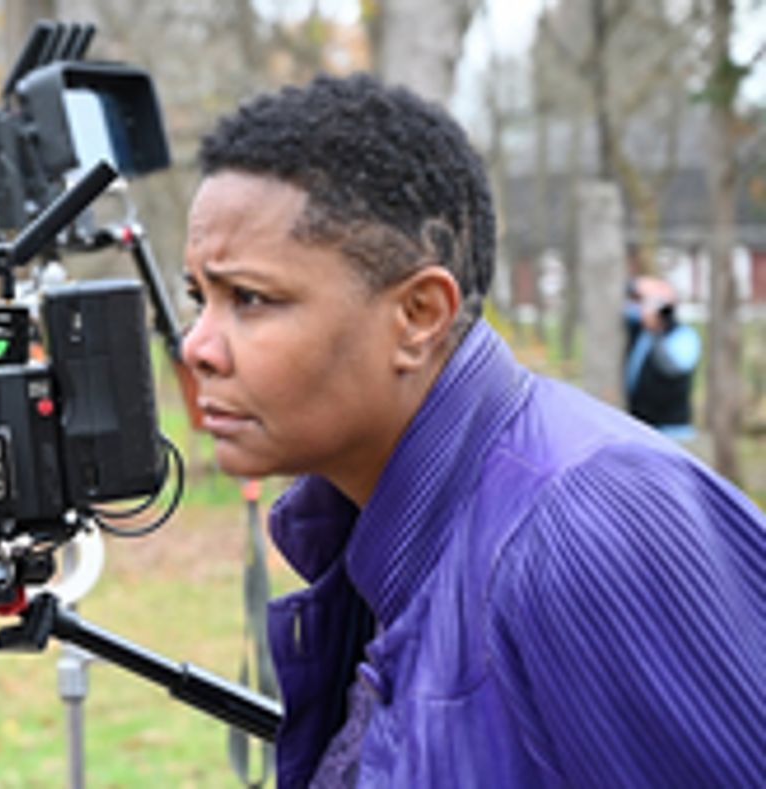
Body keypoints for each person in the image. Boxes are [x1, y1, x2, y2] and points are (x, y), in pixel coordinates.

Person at [180, 74, 766, 788]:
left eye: (249, 298)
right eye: (199, 298)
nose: (196, 346)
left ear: (419, 315)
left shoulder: (580, 530)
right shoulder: (373, 531)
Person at [623, 275, 701, 438]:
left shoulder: (684, 335)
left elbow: (672, 368)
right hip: (639, 424)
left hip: (672, 429)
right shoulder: (639, 330)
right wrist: (642, 287)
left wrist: (656, 330)